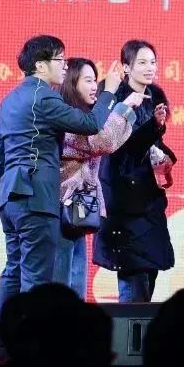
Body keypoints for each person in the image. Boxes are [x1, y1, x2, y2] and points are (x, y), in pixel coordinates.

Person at [0, 35, 122, 367]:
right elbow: (91, 124)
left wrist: (12, 184)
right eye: (60, 60)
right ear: (41, 64)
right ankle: (30, 361)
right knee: (36, 282)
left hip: (10, 198)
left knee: (13, 273)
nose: (64, 66)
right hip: (37, 199)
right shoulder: (43, 97)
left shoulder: (10, 99)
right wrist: (109, 92)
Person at [55, 59, 143, 299]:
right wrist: (120, 104)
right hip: (61, 207)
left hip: (78, 209)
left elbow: (107, 139)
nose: (95, 86)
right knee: (62, 282)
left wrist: (124, 109)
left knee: (75, 281)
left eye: (96, 80)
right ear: (72, 83)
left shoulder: (84, 116)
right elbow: (103, 141)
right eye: (88, 80)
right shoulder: (67, 118)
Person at [96, 40, 177, 302]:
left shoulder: (155, 97)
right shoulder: (115, 98)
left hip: (149, 198)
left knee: (149, 272)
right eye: (142, 62)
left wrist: (164, 156)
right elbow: (120, 147)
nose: (149, 68)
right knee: (134, 275)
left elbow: (153, 144)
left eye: (153, 62)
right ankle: (130, 330)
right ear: (126, 67)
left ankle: (139, 327)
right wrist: (152, 127)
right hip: (124, 199)